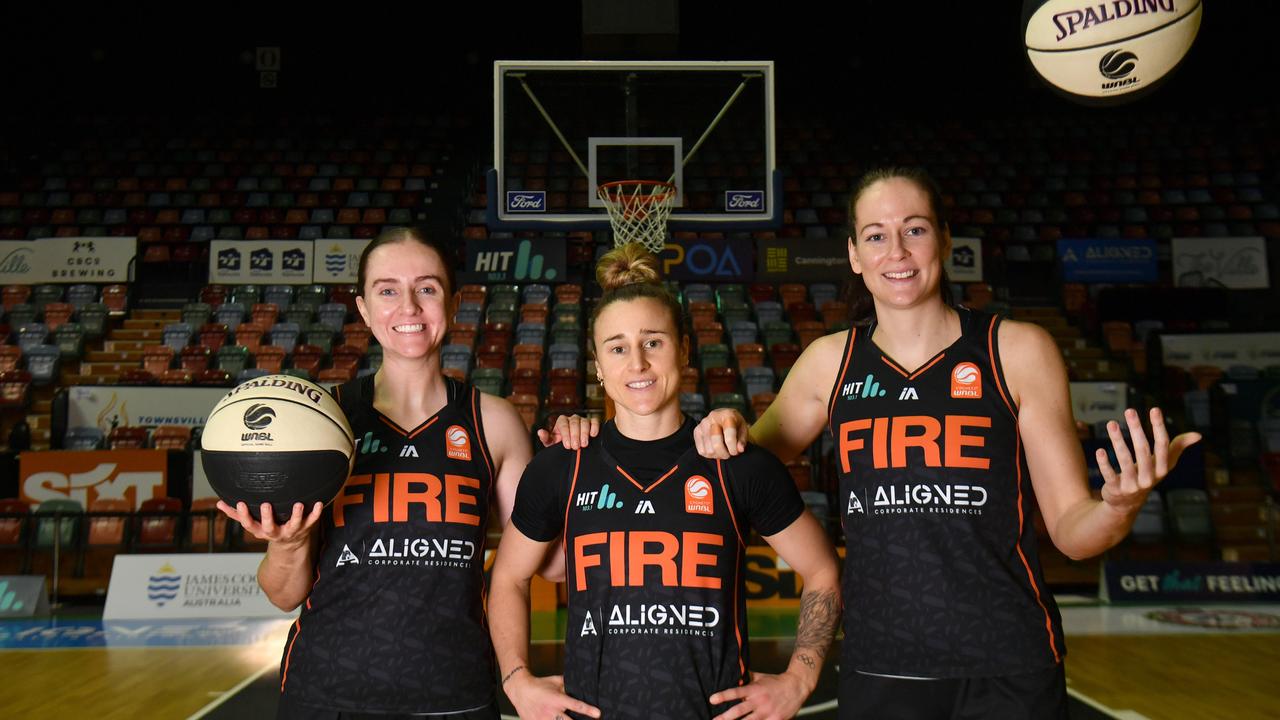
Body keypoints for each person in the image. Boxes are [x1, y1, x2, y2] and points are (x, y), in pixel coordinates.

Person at [689, 167, 1202, 719]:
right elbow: (734, 476)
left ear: (945, 240)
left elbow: (1073, 533)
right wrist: (722, 421)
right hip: (879, 665)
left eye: (915, 229)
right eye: (876, 235)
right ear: (855, 254)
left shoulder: (1018, 350)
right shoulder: (829, 362)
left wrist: (1120, 506)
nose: (897, 252)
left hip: (1008, 665)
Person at [218, 227, 587, 719]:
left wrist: (575, 469)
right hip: (325, 693)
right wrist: (285, 543)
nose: (408, 307)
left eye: (427, 288)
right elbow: (284, 594)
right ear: (364, 308)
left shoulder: (492, 421)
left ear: (453, 304)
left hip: (454, 695)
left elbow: (553, 566)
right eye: (387, 290)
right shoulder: (323, 424)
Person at [488, 243, 841, 720]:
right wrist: (517, 681)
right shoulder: (561, 466)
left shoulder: (736, 461)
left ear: (685, 349)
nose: (637, 363)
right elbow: (508, 577)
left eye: (653, 341)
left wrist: (800, 677)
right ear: (598, 365)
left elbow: (823, 569)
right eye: (618, 348)